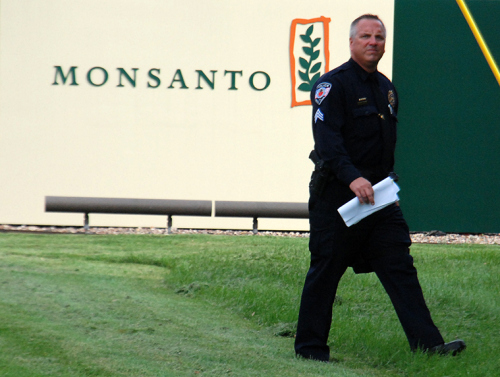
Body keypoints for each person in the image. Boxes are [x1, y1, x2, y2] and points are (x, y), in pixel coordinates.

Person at [294, 14, 466, 362]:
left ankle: (428, 346)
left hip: (378, 200)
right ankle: (310, 350)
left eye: (379, 37)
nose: (374, 42)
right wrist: (352, 177)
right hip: (338, 196)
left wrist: (389, 192)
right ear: (352, 42)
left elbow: (386, 150)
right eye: (366, 37)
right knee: (326, 269)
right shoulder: (332, 85)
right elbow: (327, 142)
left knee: (400, 266)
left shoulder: (386, 89)